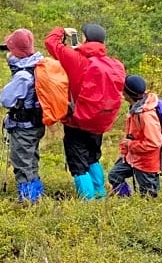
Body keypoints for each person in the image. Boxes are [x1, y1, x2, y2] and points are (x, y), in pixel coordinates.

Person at [44, 23, 125, 200]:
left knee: (78, 163)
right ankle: (100, 194)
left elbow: (51, 42)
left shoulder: (75, 59)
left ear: (85, 39)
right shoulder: (115, 64)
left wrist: (61, 31)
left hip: (77, 121)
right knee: (93, 158)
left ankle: (87, 201)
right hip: (99, 121)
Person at [0, 29, 46, 202]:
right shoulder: (37, 65)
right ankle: (36, 193)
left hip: (24, 126)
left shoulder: (23, 75)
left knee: (22, 163)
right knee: (32, 160)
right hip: (36, 125)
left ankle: (28, 200)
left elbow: (6, 100)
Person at [108, 75, 162, 197]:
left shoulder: (146, 115)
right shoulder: (135, 109)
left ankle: (148, 214)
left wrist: (131, 145)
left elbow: (154, 143)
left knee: (148, 197)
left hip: (147, 163)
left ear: (128, 93)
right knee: (115, 175)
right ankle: (125, 200)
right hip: (132, 158)